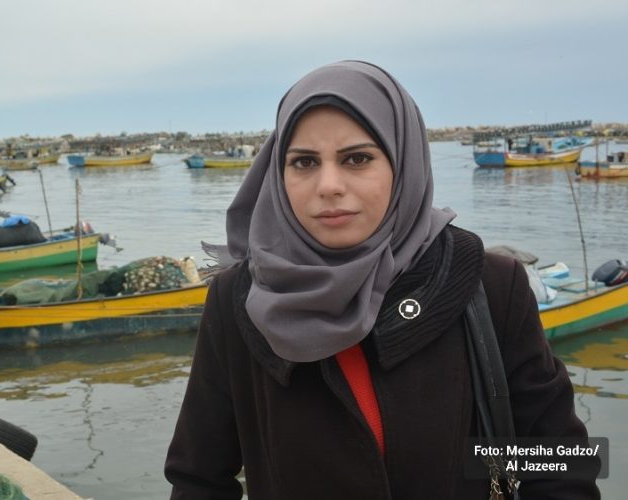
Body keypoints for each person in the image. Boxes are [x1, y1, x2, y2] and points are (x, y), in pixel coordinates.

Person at [164, 61, 599, 499]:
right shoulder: (240, 300)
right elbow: (201, 478)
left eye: (357, 158)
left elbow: (557, 466)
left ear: (402, 161)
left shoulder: (490, 285)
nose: (328, 185)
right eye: (304, 162)